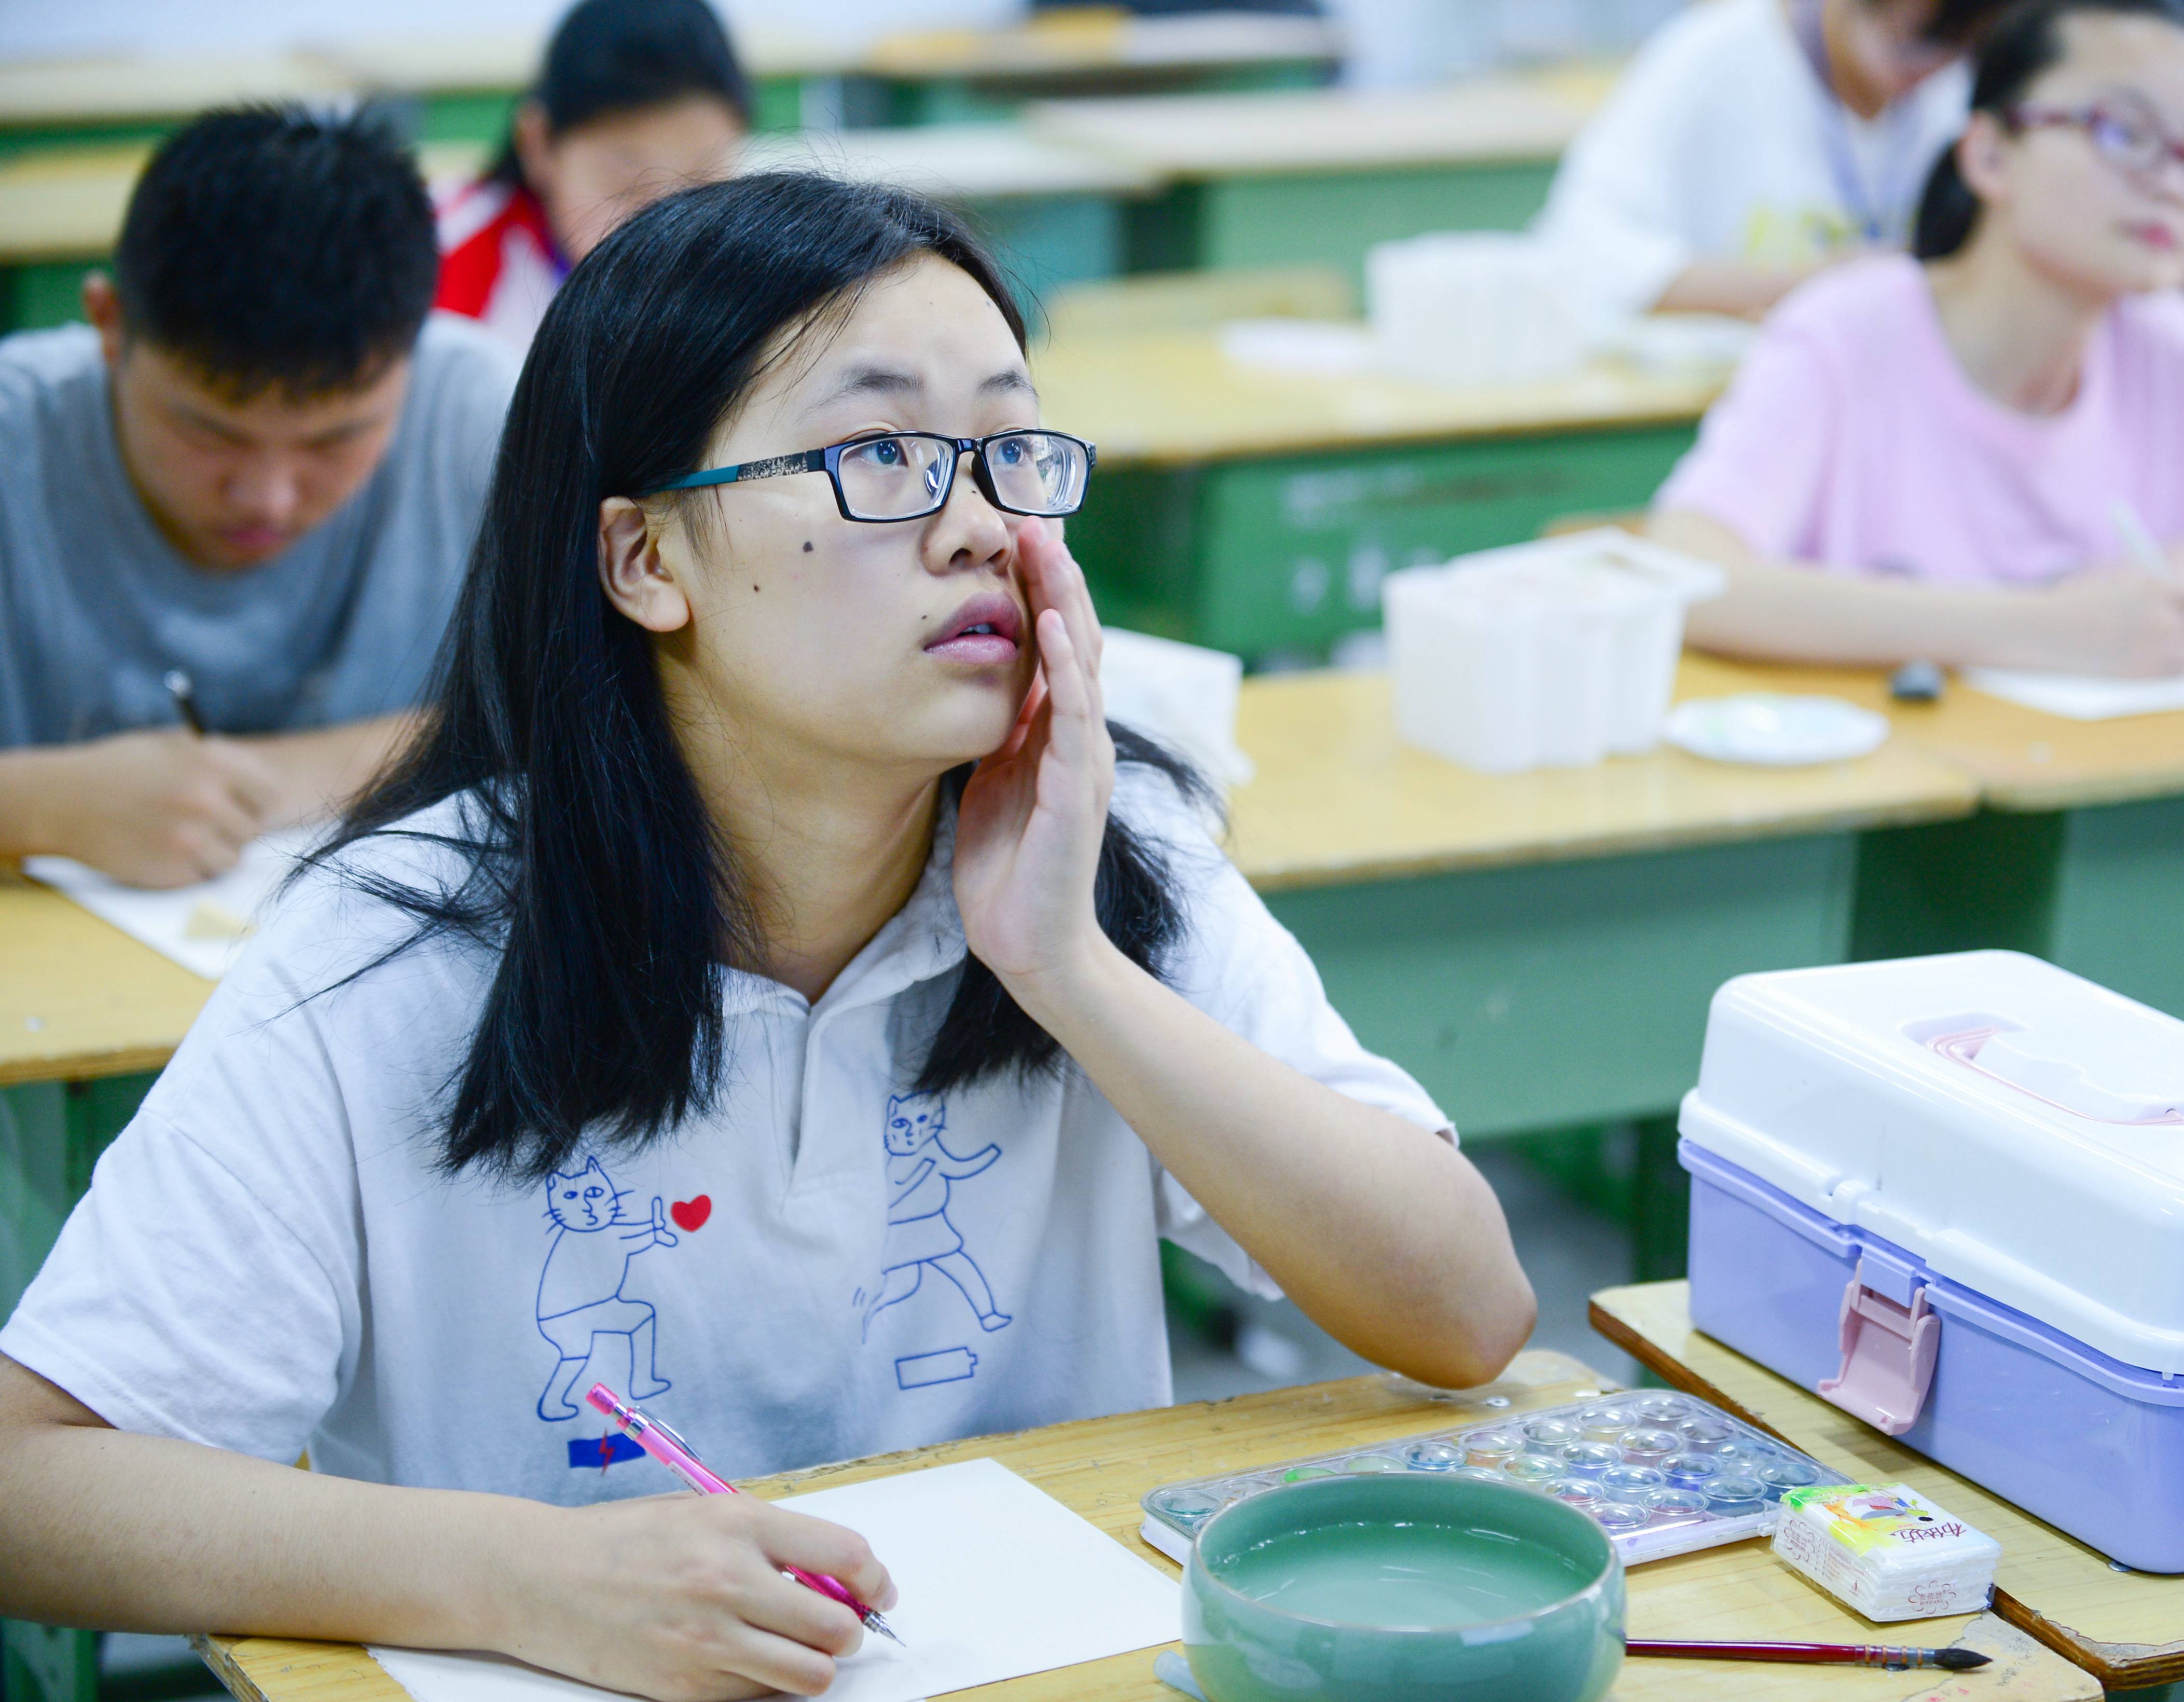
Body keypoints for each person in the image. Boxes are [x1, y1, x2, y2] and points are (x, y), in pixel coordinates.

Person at [0, 173, 1536, 1698]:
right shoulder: (387, 949)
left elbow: (1465, 1313)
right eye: (877, 452)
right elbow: (31, 1483)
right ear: (643, 560)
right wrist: (523, 1573)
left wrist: (1061, 963)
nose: (979, 528)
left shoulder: (1098, 863)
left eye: (1008, 449)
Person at [1648, 0, 2184, 675]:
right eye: (2123, 133)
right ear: (1988, 154)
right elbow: (1689, 574)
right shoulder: (1851, 327)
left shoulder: (2163, 345)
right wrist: (2040, 630)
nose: (2170, 186)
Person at [0, 107, 517, 888]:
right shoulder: (17, 436)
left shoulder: (476, 413)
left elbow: (592, 712)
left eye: (333, 441)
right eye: (210, 434)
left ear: (415, 345)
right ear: (110, 326)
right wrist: (38, 803)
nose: (269, 499)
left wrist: (266, 781)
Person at [1533, 0, 2006, 322]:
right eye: (1905, 42)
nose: (1924, 70)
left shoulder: (1952, 92)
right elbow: (1580, 251)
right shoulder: (1716, 56)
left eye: (1950, 48)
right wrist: (1807, 287)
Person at [436, 0, 751, 349]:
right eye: (629, 186)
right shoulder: (442, 277)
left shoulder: (760, 279)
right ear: (538, 146)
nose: (667, 225)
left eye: (701, 186)